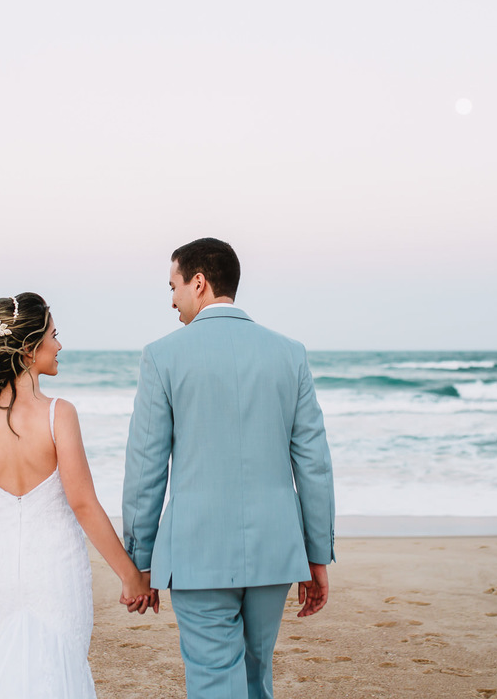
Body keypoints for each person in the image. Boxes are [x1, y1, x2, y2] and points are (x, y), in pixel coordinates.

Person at [122, 238, 336, 699]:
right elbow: (314, 464)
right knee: (256, 677)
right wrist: (316, 555)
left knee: (213, 679)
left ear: (198, 282)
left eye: (174, 285)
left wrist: (139, 562)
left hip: (197, 553)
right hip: (275, 551)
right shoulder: (290, 353)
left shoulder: (161, 356)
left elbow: (146, 467)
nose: (172, 299)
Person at [0, 292, 154, 699]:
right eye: (54, 334)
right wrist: (130, 576)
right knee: (56, 673)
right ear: (30, 349)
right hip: (53, 572)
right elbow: (83, 504)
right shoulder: (59, 414)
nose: (60, 345)